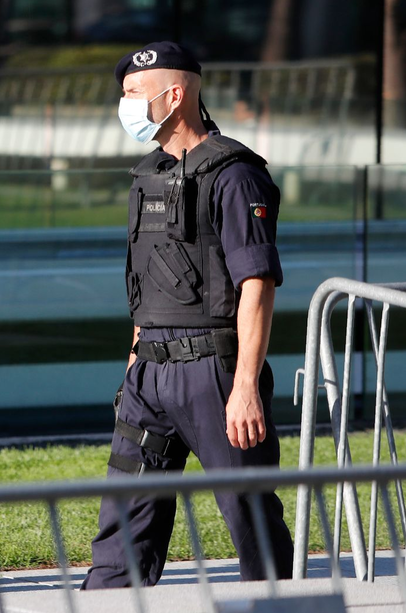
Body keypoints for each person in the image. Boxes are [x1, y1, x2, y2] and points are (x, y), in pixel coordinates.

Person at [80, 41, 294, 589]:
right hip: (149, 372)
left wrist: (245, 384)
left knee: (250, 520)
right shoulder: (147, 175)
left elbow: (257, 284)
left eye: (133, 94)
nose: (124, 105)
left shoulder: (235, 174)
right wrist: (132, 369)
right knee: (122, 525)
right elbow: (145, 285)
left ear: (174, 96)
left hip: (214, 373)